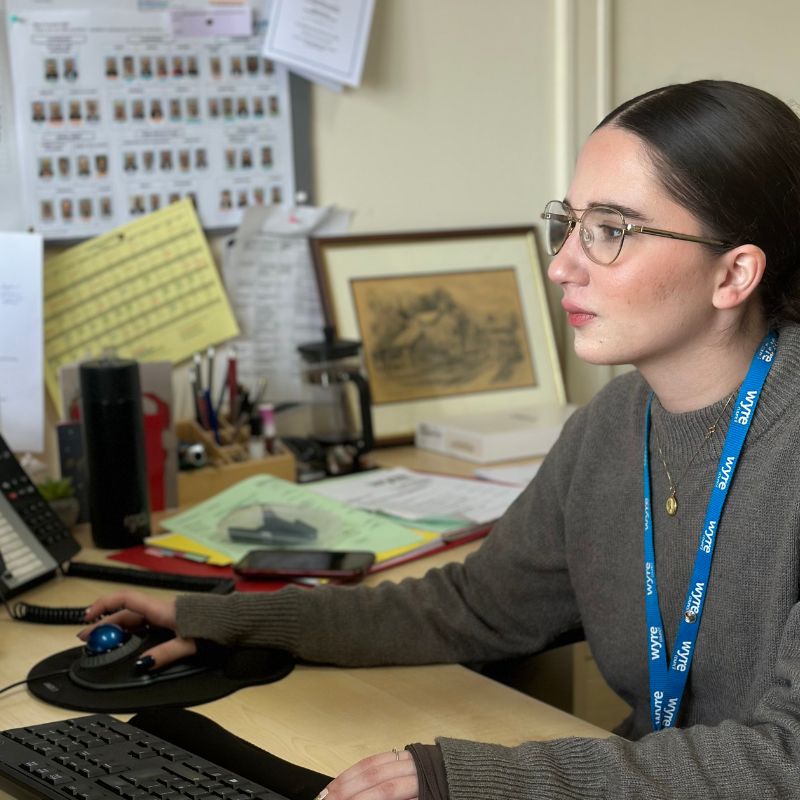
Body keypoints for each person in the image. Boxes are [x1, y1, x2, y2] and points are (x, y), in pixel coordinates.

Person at [81, 79, 800, 798]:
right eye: (570, 223)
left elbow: (786, 760)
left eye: (610, 231)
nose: (561, 265)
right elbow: (476, 607)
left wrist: (465, 780)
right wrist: (229, 619)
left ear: (734, 273)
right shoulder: (615, 424)